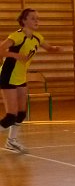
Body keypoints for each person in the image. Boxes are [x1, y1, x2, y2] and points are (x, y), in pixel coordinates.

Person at [0, 8, 61, 153]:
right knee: (11, 116)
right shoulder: (17, 36)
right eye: (33, 18)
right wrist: (16, 55)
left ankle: (11, 141)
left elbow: (48, 48)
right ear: (24, 20)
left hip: (21, 77)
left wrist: (55, 49)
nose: (36, 21)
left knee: (21, 114)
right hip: (8, 76)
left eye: (37, 18)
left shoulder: (37, 37)